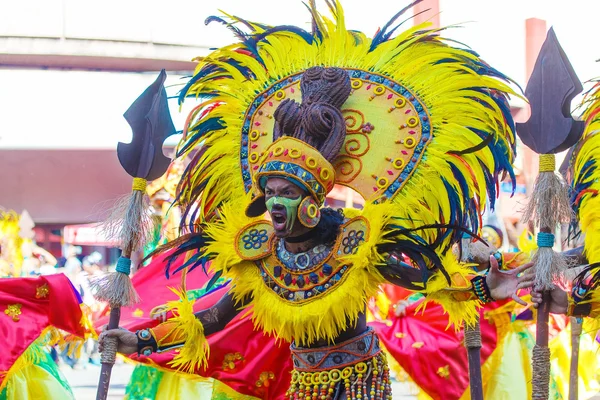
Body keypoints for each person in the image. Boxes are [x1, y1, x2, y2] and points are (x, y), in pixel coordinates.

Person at [99, 2, 528, 398]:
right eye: (269, 193)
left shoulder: (353, 242)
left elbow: (420, 280)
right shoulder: (262, 257)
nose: (274, 204)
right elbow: (213, 317)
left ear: (312, 200)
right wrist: (140, 338)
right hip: (304, 383)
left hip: (360, 382)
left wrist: (485, 286)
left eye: (286, 193)